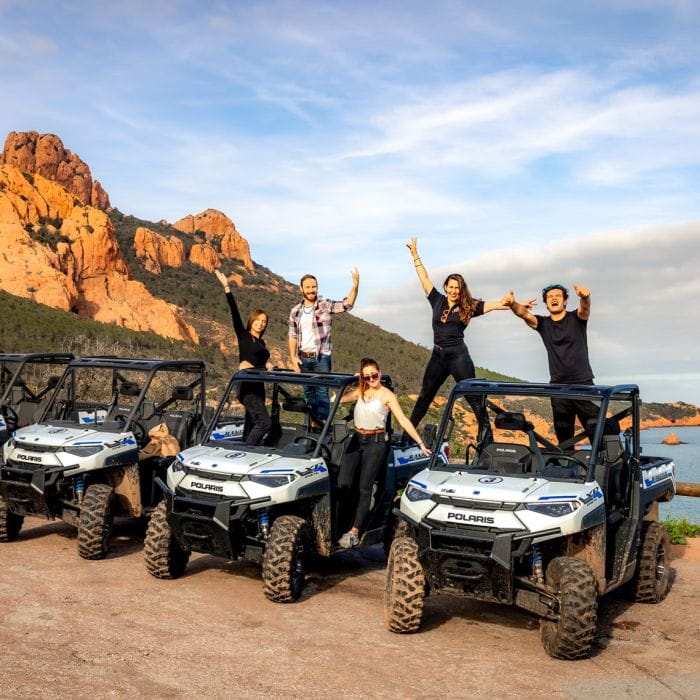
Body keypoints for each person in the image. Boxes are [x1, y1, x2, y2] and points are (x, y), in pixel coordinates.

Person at [406, 237, 509, 438]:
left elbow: (495, 305)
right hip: (438, 356)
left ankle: (488, 441)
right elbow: (424, 277)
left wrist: (512, 303)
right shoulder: (436, 300)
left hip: (458, 356)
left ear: (461, 289)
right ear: (445, 287)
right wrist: (415, 255)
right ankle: (407, 436)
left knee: (474, 398)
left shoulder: (469, 306)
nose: (453, 291)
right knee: (425, 396)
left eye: (457, 287)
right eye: (450, 287)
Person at [336, 358, 430, 549]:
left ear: (379, 372)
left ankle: (355, 531)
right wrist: (354, 382)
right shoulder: (360, 391)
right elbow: (336, 399)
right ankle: (342, 523)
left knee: (365, 487)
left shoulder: (386, 395)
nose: (372, 378)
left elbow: (403, 420)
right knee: (344, 482)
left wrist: (420, 442)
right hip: (356, 438)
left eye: (374, 374)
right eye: (367, 376)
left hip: (376, 442)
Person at [504, 283, 598, 444]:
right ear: (546, 303)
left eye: (558, 296)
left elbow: (585, 308)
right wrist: (513, 304)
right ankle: (568, 467)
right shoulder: (543, 324)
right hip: (558, 388)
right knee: (564, 437)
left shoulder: (577, 318)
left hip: (584, 385)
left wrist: (585, 297)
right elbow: (525, 314)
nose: (554, 298)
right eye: (550, 297)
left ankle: (609, 467)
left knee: (597, 433)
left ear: (565, 301)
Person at [288, 269, 360, 421]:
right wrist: (293, 357)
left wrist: (355, 285)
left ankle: (323, 428)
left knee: (322, 393)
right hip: (304, 358)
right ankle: (312, 427)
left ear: (317, 287)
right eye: (307, 287)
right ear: (301, 288)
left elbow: (347, 305)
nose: (311, 290)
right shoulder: (295, 311)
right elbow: (292, 335)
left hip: (322, 358)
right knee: (309, 394)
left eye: (314, 286)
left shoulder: (324, 305)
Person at [215, 269, 272, 445]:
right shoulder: (243, 336)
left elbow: (261, 362)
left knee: (252, 422)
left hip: (258, 386)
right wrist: (227, 287)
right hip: (246, 385)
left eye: (264, 321)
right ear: (251, 321)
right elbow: (234, 312)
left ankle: (246, 448)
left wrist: (270, 365)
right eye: (258, 320)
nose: (261, 324)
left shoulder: (261, 343)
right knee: (265, 423)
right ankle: (247, 450)